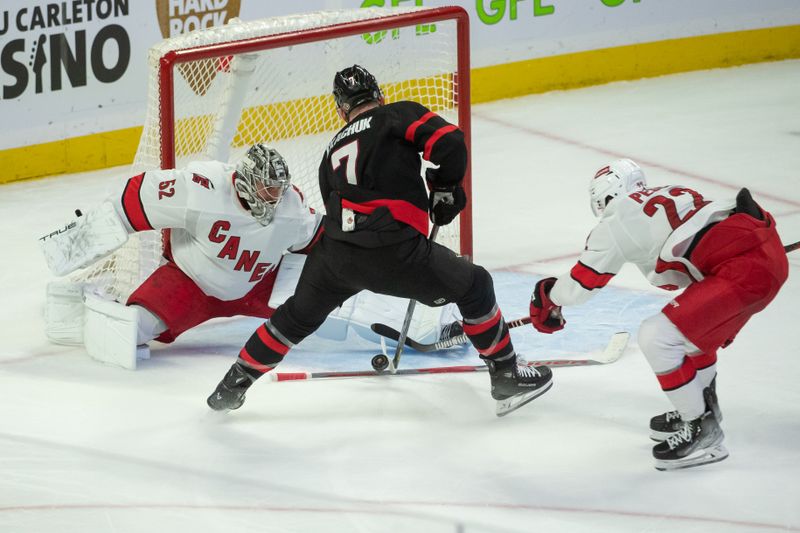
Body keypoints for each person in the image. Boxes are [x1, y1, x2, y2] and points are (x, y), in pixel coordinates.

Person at [206, 64, 553, 416]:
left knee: (295, 317)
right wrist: (446, 188)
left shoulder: (329, 153)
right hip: (392, 249)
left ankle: (231, 386)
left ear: (341, 110)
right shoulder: (397, 114)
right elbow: (449, 141)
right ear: (380, 95)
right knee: (476, 284)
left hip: (334, 256)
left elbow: (334, 205)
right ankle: (506, 373)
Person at [39, 144, 462, 369]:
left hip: (262, 285)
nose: (274, 199)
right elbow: (131, 202)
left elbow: (327, 249)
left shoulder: (291, 208)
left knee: (338, 302)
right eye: (267, 190)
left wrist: (372, 252)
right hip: (191, 284)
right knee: (131, 334)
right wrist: (73, 246)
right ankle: (83, 301)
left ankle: (428, 326)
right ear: (243, 181)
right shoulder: (202, 188)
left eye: (278, 191)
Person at [528, 158, 788, 470]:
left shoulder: (615, 220)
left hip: (744, 270)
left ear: (602, 198)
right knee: (692, 338)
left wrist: (547, 295)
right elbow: (679, 269)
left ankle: (701, 429)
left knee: (657, 336)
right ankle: (702, 408)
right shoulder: (672, 194)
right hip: (761, 254)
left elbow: (580, 287)